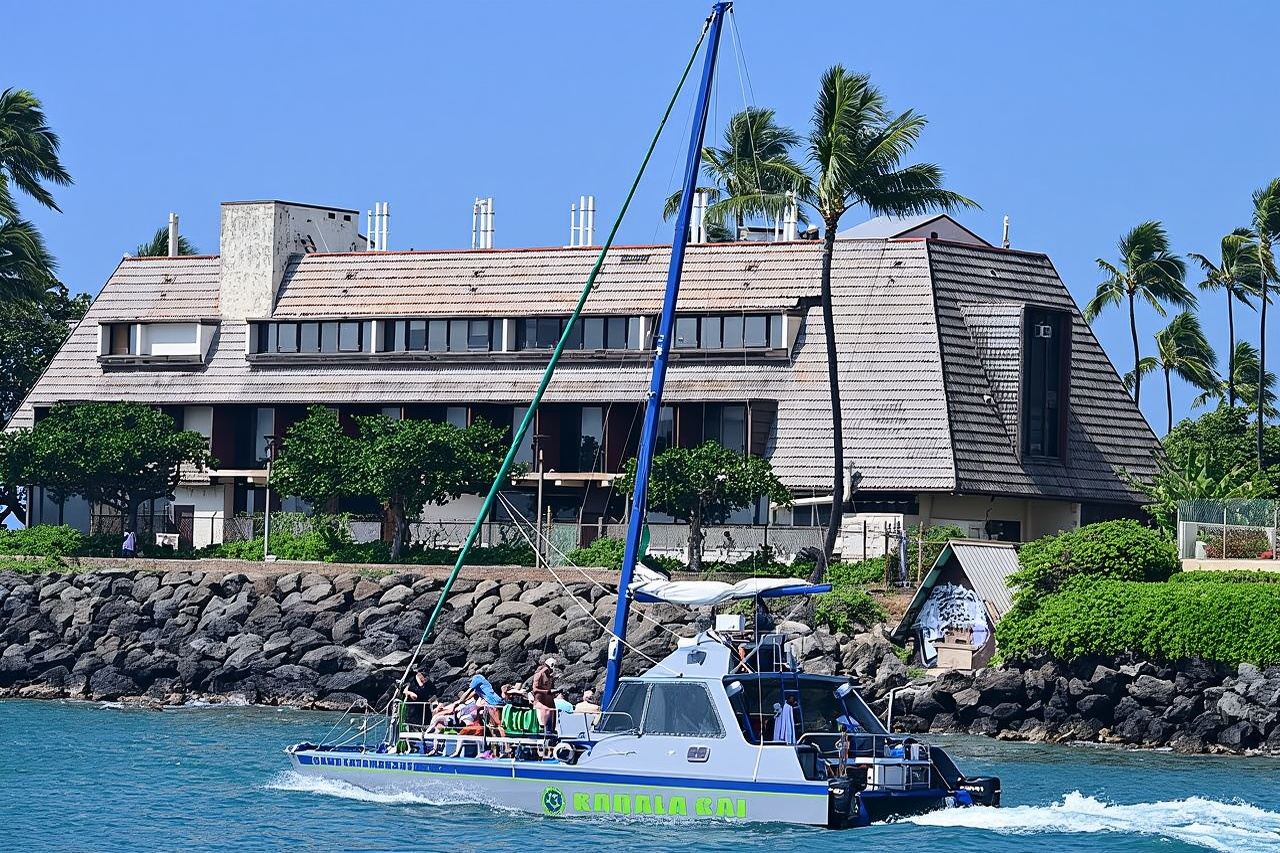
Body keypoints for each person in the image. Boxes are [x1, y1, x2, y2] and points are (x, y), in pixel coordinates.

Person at [531, 656, 560, 734]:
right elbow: (535, 689)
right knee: (545, 715)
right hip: (540, 701)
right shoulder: (539, 675)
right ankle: (543, 731)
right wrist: (547, 692)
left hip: (549, 701)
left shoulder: (550, 677)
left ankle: (551, 732)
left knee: (553, 714)